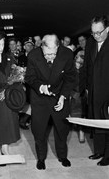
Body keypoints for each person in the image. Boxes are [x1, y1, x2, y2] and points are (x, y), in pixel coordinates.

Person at [25, 34, 75, 170]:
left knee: (62, 129)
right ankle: (41, 158)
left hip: (59, 96)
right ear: (41, 47)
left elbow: (70, 77)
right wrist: (40, 87)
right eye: (47, 54)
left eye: (53, 54)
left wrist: (63, 96)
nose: (50, 57)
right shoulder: (33, 56)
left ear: (58, 47)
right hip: (40, 97)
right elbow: (29, 77)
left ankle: (62, 156)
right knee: (39, 130)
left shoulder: (67, 54)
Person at [85, 15, 109, 166]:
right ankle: (99, 150)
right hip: (94, 91)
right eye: (93, 32)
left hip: (108, 91)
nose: (96, 36)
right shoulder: (90, 43)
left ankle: (108, 155)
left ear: (108, 29)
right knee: (97, 122)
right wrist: (86, 87)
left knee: (108, 123)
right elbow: (87, 67)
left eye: (99, 32)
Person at [70, 50, 86, 143]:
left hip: (82, 95)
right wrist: (72, 93)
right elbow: (66, 83)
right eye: (79, 56)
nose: (80, 59)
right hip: (72, 95)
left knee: (82, 114)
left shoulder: (86, 69)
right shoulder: (70, 69)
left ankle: (81, 131)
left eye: (83, 57)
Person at [18, 37, 35, 129]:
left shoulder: (36, 57)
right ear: (24, 47)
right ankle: (23, 120)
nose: (29, 47)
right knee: (23, 102)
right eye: (28, 45)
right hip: (23, 83)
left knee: (33, 102)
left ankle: (24, 120)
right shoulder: (21, 57)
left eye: (31, 45)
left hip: (33, 84)